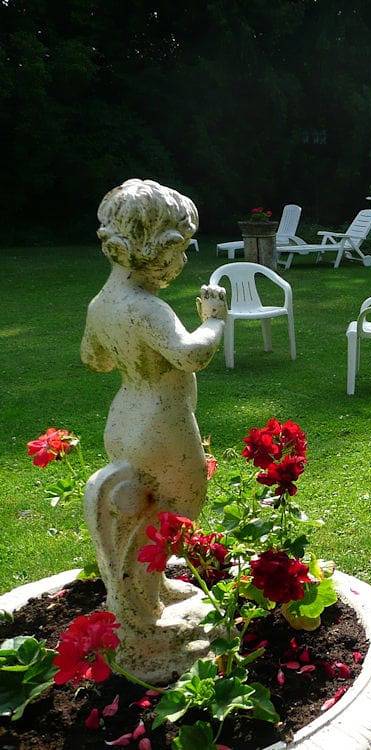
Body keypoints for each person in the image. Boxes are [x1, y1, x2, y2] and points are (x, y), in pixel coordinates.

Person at [80, 178, 227, 681]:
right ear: (158, 252)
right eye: (181, 251)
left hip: (123, 418)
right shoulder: (148, 308)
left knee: (143, 511)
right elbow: (193, 354)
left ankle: (150, 588)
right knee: (175, 509)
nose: (182, 262)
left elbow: (93, 359)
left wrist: (130, 354)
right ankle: (143, 616)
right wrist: (213, 319)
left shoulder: (101, 306)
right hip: (162, 426)